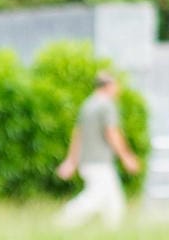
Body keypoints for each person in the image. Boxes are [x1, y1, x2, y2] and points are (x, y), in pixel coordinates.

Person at [56, 71, 141, 228]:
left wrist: (72, 160)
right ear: (108, 86)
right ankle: (64, 221)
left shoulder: (88, 105)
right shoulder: (106, 105)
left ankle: (113, 233)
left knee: (114, 201)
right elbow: (112, 133)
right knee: (94, 198)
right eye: (116, 86)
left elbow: (78, 134)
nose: (118, 90)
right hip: (99, 161)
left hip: (88, 161)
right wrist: (126, 157)